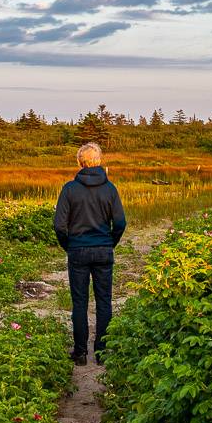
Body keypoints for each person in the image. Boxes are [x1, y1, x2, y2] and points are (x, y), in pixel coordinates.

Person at [53, 142, 126, 366]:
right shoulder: (110, 188)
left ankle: (81, 352)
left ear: (79, 162)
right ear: (99, 161)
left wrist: (70, 245)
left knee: (80, 302)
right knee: (104, 301)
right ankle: (101, 352)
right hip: (103, 249)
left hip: (78, 251)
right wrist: (109, 243)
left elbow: (59, 226)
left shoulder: (69, 189)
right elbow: (120, 223)